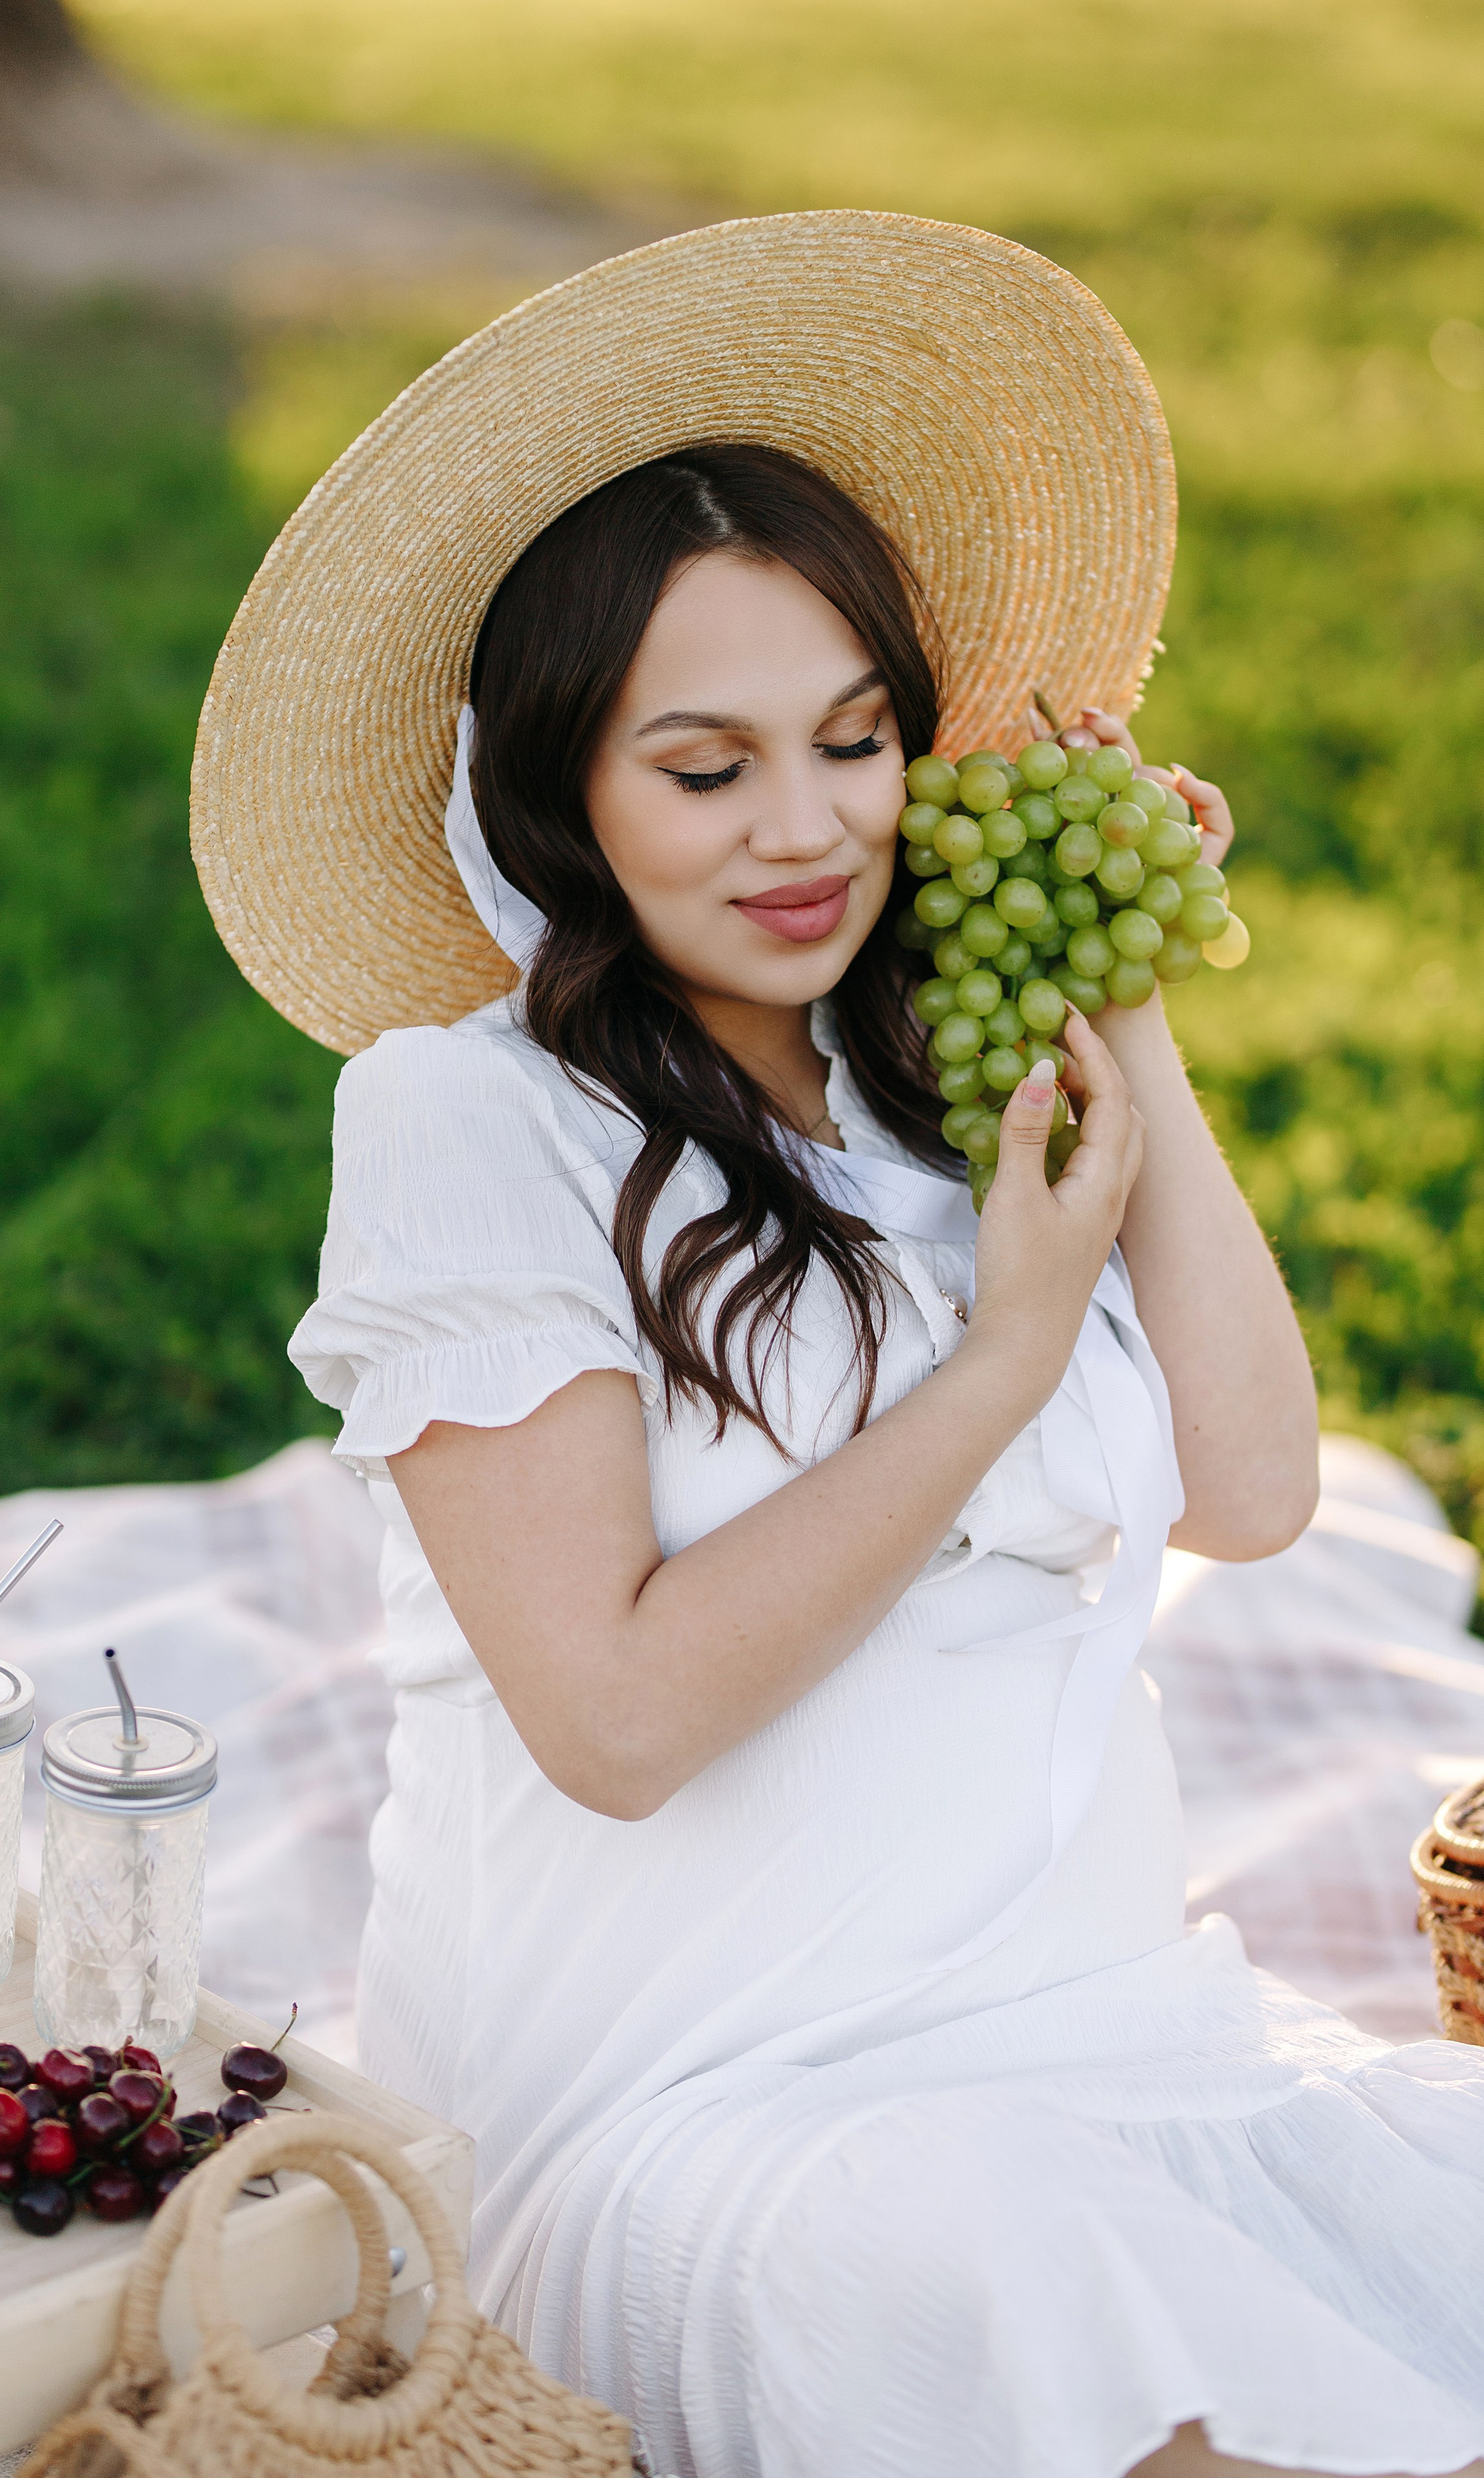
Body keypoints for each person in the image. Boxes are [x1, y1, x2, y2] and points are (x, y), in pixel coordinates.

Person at [194, 214, 1484, 2477]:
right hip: (718, 2121)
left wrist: (1115, 1002)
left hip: (1117, 2045)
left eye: (857, 740)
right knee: (1047, 2300)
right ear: (566, 793)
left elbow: (1254, 1487)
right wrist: (1000, 1366)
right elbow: (612, 1719)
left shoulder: (940, 1074)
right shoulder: (465, 1118)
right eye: (706, 770)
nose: (807, 831)